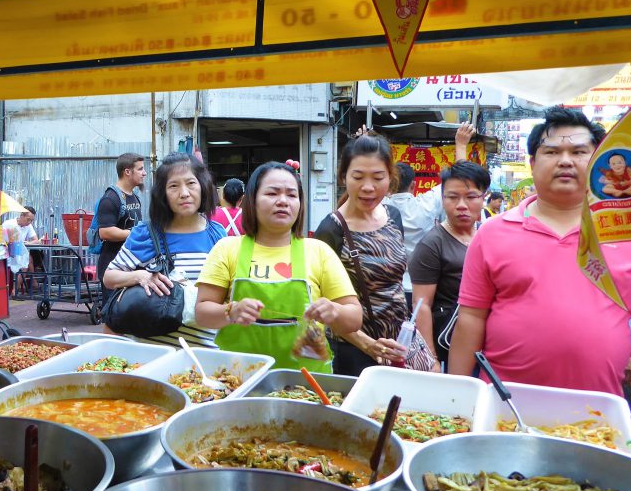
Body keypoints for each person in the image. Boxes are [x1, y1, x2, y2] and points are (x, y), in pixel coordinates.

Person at [449, 106, 631, 395]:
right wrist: (454, 397)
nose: (565, 161)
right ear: (533, 163)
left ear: (597, 162)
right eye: (552, 152)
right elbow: (471, 318)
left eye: (579, 152)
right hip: (504, 409)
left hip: (601, 413)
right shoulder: (493, 234)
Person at [196, 162, 362, 371]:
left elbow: (354, 318)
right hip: (235, 380)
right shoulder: (227, 248)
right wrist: (232, 311)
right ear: (252, 200)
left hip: (306, 385)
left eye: (292, 195)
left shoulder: (319, 252)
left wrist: (334, 311)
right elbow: (202, 314)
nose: (283, 201)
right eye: (272, 193)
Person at [314, 132, 439, 375]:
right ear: (343, 177)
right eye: (358, 177)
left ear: (390, 177)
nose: (368, 187)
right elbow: (324, 306)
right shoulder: (331, 229)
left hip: (401, 342)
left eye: (378, 177)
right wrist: (369, 345)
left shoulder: (393, 216)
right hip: (356, 351)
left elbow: (395, 287)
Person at [103, 153, 226, 347]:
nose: (184, 193)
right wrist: (140, 276)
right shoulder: (146, 233)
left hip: (205, 353)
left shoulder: (217, 234)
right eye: (173, 186)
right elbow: (109, 278)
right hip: (151, 352)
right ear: (163, 193)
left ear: (202, 186)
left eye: (191, 183)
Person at [408, 160, 491, 369]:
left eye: (471, 197)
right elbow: (422, 305)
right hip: (448, 348)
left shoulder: (488, 235)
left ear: (483, 198)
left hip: (487, 346)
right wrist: (431, 359)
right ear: (443, 199)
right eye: (452, 197)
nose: (461, 205)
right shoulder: (432, 244)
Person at [384, 122, 473, 301]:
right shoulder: (425, 205)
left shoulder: (379, 206)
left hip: (388, 289)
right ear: (413, 185)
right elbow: (458, 181)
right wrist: (460, 146)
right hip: (422, 288)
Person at [95, 152, 146, 299]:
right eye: (140, 169)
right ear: (127, 172)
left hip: (131, 263)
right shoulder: (110, 199)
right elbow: (105, 232)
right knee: (114, 313)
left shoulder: (134, 196)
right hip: (113, 265)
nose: (144, 173)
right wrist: (135, 233)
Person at [2, 206, 38, 295]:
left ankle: (16, 288)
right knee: (27, 260)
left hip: (19, 250)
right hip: (7, 250)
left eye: (31, 221)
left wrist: (28, 243)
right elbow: (5, 240)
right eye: (28, 219)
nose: (29, 222)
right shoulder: (9, 224)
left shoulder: (28, 226)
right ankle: (19, 287)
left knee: (27, 260)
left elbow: (36, 240)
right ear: (22, 215)